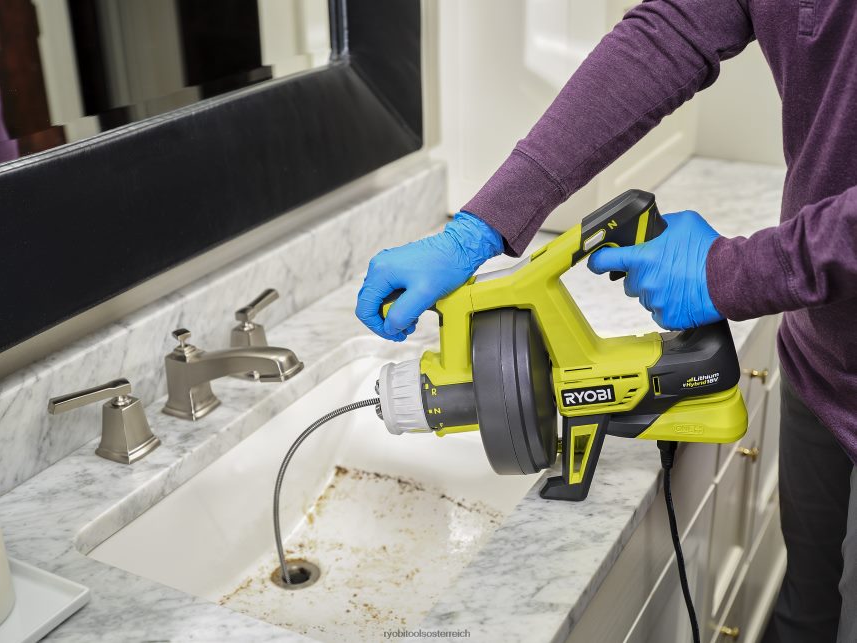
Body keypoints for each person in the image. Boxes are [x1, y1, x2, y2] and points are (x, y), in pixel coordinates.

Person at [355, 3, 857, 641]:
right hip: (819, 356)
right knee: (804, 609)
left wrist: (736, 272)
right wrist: (478, 229)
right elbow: (674, 32)